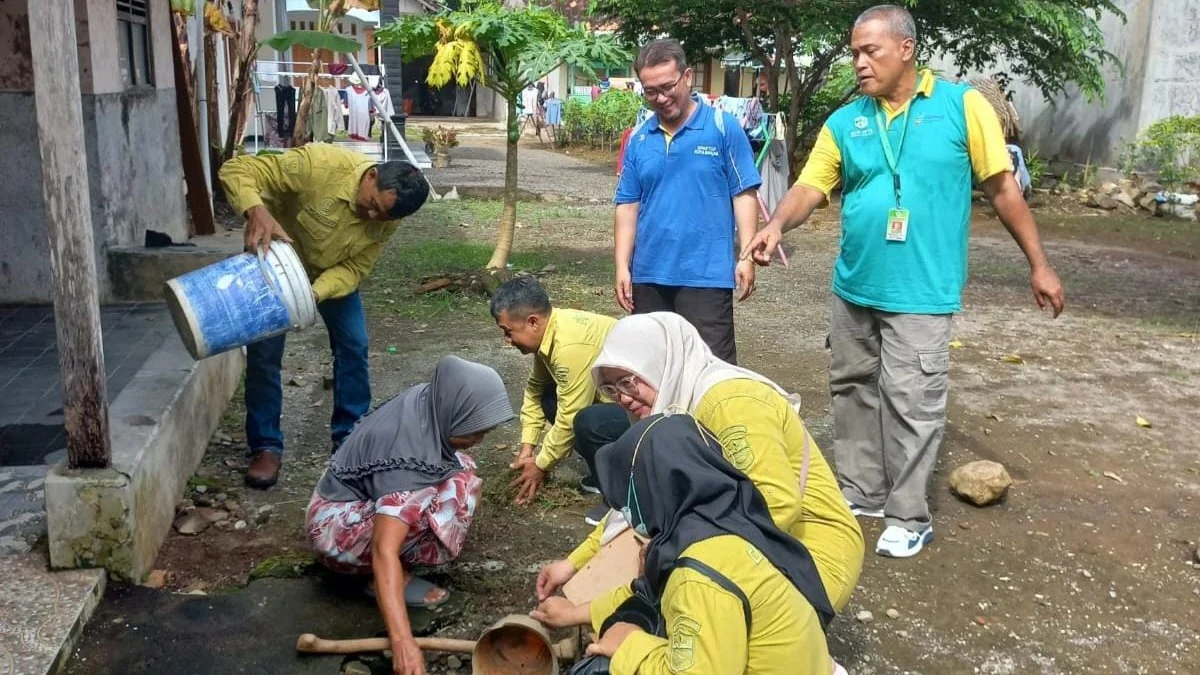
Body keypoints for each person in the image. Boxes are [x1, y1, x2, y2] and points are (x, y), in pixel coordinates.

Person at [743, 5, 1065, 558]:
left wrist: (1039, 262)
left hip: (922, 290)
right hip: (855, 288)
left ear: (907, 49)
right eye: (854, 53)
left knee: (912, 400)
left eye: (870, 51)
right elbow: (810, 188)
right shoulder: (846, 121)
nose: (859, 63)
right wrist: (774, 224)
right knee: (852, 392)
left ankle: (910, 514)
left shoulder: (960, 106)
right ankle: (862, 490)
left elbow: (1003, 188)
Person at [540, 313, 864, 614]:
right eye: (610, 388)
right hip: (742, 535)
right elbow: (634, 507)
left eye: (629, 381)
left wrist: (676, 553)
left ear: (659, 362)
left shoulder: (730, 403)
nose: (623, 398)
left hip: (811, 551)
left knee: (678, 603)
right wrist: (572, 564)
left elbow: (777, 507)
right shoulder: (669, 406)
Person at [530, 413, 834, 675]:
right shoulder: (727, 523)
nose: (625, 508)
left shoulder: (697, 573)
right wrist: (573, 613)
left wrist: (630, 646)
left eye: (628, 494)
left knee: (600, 668)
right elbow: (649, 590)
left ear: (654, 489)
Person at [220, 144, 430, 489]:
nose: (374, 218)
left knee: (354, 345)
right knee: (264, 354)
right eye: (373, 206)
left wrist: (312, 296)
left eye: (384, 217)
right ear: (371, 176)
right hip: (275, 265)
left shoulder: (390, 216)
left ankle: (350, 437)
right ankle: (265, 446)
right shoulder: (319, 166)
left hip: (330, 275)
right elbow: (235, 170)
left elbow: (355, 266)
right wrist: (255, 210)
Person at [306, 356, 514, 675]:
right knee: (435, 497)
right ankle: (386, 581)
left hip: (341, 497)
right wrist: (404, 643)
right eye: (475, 428)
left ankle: (395, 560)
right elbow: (382, 550)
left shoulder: (429, 400)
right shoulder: (409, 465)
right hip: (334, 530)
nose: (481, 437)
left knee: (462, 471)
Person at [614, 39, 761, 364]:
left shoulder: (723, 129)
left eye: (667, 86)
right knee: (652, 371)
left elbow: (744, 193)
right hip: (649, 276)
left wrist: (747, 256)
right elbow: (627, 204)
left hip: (705, 276)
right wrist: (622, 266)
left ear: (687, 77)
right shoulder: (639, 139)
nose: (661, 98)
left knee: (712, 371)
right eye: (651, 91)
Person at [490, 277, 624, 524]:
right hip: (617, 399)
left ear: (532, 322)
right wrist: (528, 446)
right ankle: (603, 471)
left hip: (654, 409)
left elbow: (572, 414)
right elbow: (535, 388)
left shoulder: (570, 345)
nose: (507, 341)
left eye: (508, 332)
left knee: (587, 420)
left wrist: (540, 465)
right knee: (549, 397)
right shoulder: (550, 332)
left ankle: (618, 498)